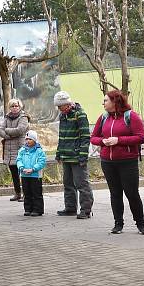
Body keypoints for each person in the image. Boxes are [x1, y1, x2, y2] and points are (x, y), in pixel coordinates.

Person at [90, 90, 144, 235]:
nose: (103, 103)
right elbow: (93, 137)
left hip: (127, 162)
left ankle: (140, 224)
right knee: (115, 193)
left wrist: (118, 140)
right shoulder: (103, 117)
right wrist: (103, 141)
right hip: (107, 162)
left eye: (106, 100)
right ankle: (118, 224)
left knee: (132, 193)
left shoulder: (131, 116)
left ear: (115, 101)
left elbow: (140, 137)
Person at [54, 91, 94, 219]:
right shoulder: (63, 116)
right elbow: (62, 136)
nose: (58, 108)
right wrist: (59, 153)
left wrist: (83, 155)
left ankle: (86, 210)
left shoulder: (80, 114)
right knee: (68, 183)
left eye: (60, 106)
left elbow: (85, 136)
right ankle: (70, 208)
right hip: (66, 156)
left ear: (67, 104)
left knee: (82, 184)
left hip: (77, 156)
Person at [0, 99, 30, 202]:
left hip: (20, 148)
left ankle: (26, 194)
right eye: (12, 106)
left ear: (19, 107)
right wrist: (9, 134)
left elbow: (20, 130)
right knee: (14, 173)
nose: (14, 108)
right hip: (10, 150)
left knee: (23, 173)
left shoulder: (23, 118)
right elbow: (0, 130)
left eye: (16, 106)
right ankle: (17, 193)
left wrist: (7, 131)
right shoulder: (7, 117)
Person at [16, 130, 46, 217]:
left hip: (35, 175)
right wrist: (21, 167)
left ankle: (37, 209)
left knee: (36, 193)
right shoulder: (22, 150)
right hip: (24, 174)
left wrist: (33, 169)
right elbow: (19, 160)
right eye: (27, 139)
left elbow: (41, 162)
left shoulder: (39, 151)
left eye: (30, 139)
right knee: (27, 192)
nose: (28, 141)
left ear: (35, 140)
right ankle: (28, 209)